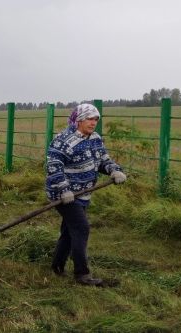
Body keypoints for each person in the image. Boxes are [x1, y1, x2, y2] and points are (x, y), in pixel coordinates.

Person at [45, 103, 127, 286]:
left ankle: (57, 267)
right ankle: (82, 274)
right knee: (81, 228)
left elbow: (102, 160)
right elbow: (53, 168)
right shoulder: (63, 140)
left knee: (69, 231)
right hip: (62, 194)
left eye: (96, 119)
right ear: (79, 120)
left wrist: (114, 170)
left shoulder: (95, 138)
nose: (93, 122)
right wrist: (64, 189)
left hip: (83, 193)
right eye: (90, 118)